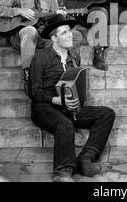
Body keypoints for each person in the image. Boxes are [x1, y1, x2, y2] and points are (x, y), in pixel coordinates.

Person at [28, 14, 115, 182]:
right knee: (65, 124)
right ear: (54, 38)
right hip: (45, 107)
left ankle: (85, 158)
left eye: (69, 31)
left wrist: (75, 100)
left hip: (67, 106)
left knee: (106, 113)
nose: (69, 35)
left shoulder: (73, 57)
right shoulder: (41, 57)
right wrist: (56, 100)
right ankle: (62, 172)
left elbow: (74, 82)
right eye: (64, 33)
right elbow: (34, 91)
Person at [0, 0, 78, 93]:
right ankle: (28, 75)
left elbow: (53, 22)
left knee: (69, 37)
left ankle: (63, 74)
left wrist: (60, 17)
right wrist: (18, 11)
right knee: (30, 30)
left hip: (41, 35)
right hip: (19, 35)